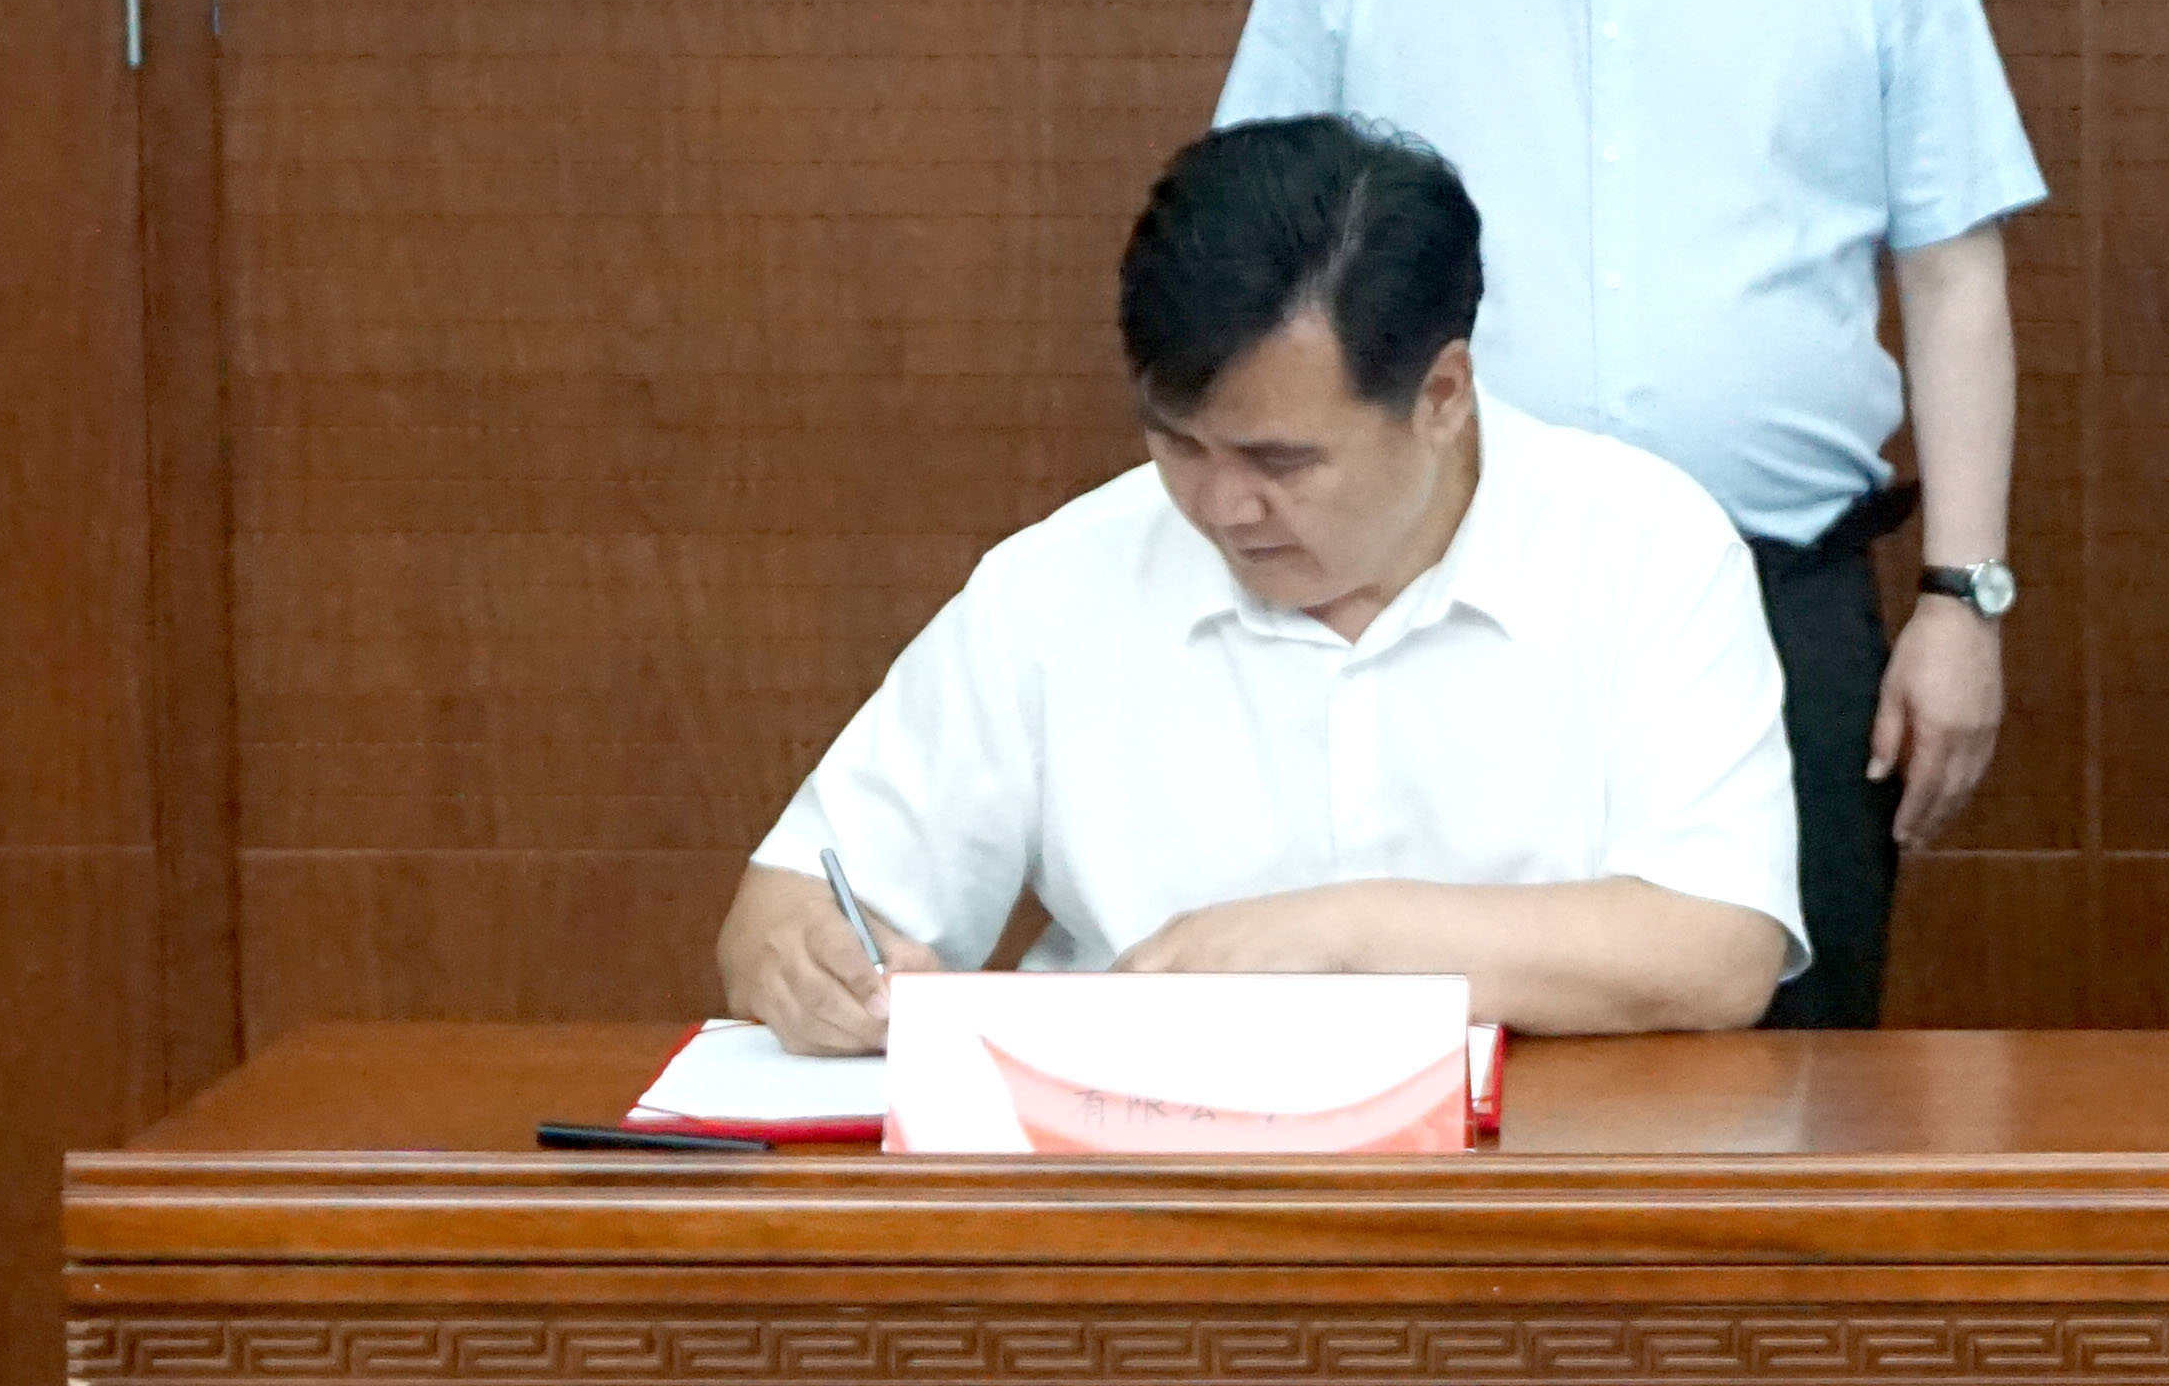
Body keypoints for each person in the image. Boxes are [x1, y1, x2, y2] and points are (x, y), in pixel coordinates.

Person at [1213, 0, 2043, 1026]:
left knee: (1792, 1084)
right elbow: (1258, 285)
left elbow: (1954, 273)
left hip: (1779, 603)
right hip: (1428, 612)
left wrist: (1962, 597)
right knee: (1428, 1073)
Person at [716, 117, 1798, 1053]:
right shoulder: (1057, 582)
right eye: (1179, 443)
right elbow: (789, 901)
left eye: (1280, 461)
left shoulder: (1644, 548)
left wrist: (1337, 936)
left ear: (1442, 395)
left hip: (1529, 1175)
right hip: (1137, 1177)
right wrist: (805, 967)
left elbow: (1718, 949)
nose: (1223, 506)